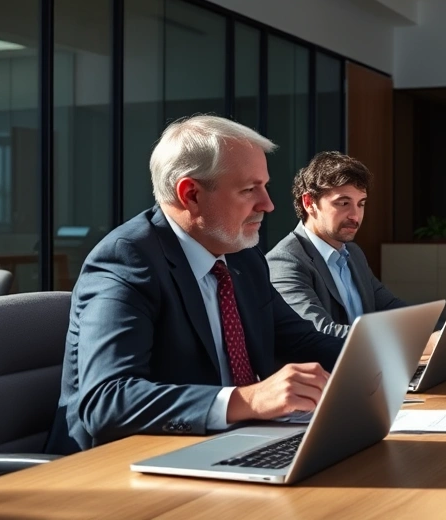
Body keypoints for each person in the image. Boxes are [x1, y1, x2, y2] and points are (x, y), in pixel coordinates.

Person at [46, 116, 343, 455]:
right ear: (191, 195)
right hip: (118, 467)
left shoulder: (242, 256)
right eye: (249, 190)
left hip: (222, 446)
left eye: (264, 186)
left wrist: (391, 356)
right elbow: (108, 401)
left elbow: (300, 338)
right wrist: (248, 400)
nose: (268, 204)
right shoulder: (127, 259)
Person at [266, 152, 406, 339]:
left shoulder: (353, 253)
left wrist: (437, 331)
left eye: (361, 204)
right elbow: (321, 332)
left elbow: (390, 307)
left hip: (369, 364)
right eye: (343, 203)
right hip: (327, 367)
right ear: (309, 203)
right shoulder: (285, 262)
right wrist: (407, 337)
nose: (355, 216)